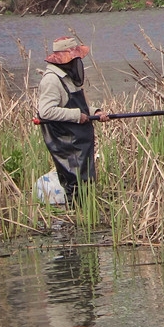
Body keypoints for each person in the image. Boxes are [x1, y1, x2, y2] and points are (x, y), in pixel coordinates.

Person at [37, 36, 109, 205]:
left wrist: (95, 112)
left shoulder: (67, 78)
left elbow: (74, 107)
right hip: (65, 140)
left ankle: (84, 212)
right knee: (75, 183)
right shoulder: (51, 80)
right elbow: (46, 111)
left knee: (85, 181)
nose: (78, 61)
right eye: (75, 57)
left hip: (78, 140)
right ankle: (77, 216)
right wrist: (77, 116)